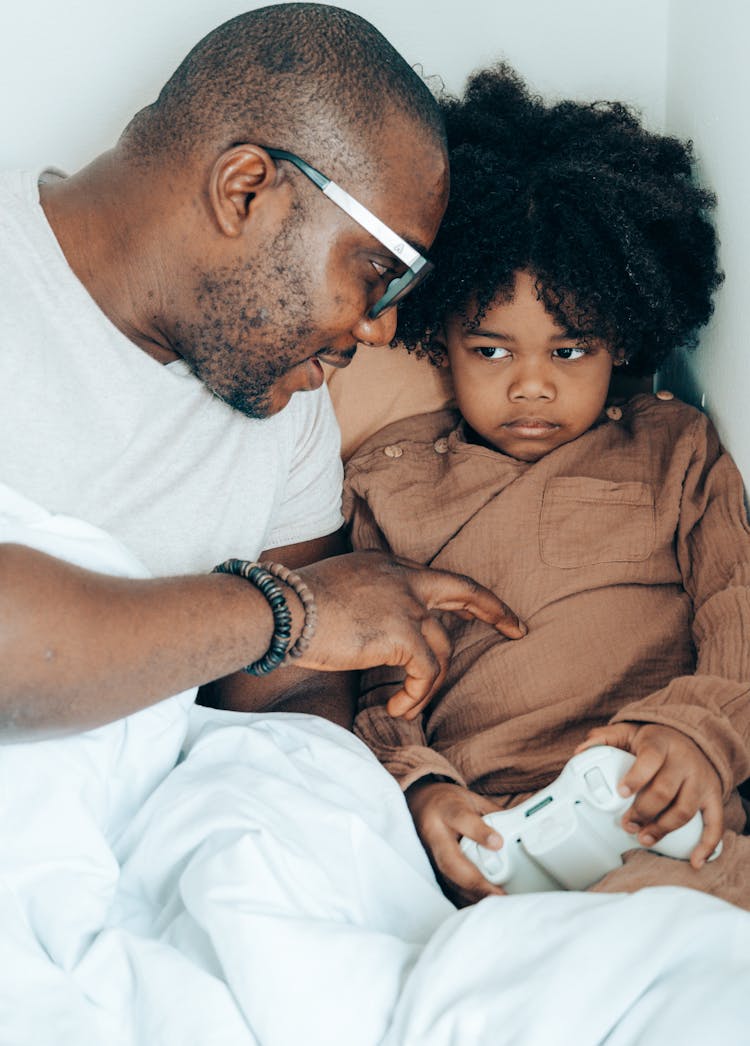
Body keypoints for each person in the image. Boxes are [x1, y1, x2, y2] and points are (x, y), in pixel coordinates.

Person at [0, 3, 526, 740]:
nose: (380, 328)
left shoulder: (283, 393)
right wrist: (286, 610)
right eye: (379, 270)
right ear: (244, 189)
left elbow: (286, 701)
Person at [344, 63, 750, 909]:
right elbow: (375, 684)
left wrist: (702, 731)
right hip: (485, 832)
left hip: (660, 799)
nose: (531, 386)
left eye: (570, 352)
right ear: (438, 341)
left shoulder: (675, 447)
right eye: (491, 351)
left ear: (625, 343)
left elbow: (738, 604)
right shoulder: (390, 481)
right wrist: (421, 788)